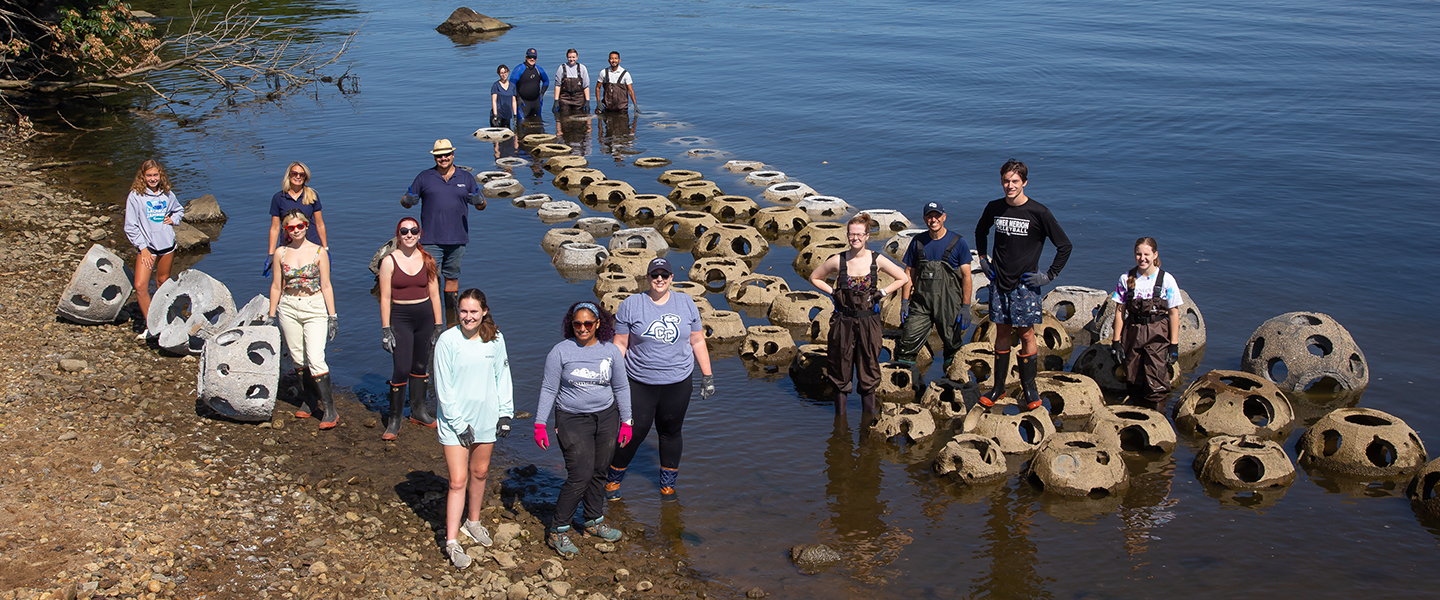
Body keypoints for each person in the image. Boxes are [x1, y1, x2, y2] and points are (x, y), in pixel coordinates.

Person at [604, 258, 714, 501]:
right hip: (639, 382)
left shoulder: (686, 303)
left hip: (678, 382)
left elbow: (697, 340)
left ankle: (667, 487)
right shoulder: (632, 305)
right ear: (648, 278)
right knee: (633, 432)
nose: (660, 280)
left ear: (672, 278)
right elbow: (620, 344)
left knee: (671, 432)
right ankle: (611, 481)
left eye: (665, 275)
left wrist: (707, 376)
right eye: (655, 275)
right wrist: (611, 377)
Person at [533, 302, 631, 557]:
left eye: (588, 323)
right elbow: (548, 389)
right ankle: (558, 529)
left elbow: (621, 388)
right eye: (578, 324)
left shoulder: (610, 352)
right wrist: (540, 423)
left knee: (600, 472)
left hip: (607, 416)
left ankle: (593, 521)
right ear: (571, 324)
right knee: (580, 474)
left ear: (599, 324)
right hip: (572, 418)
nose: (583, 328)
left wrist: (627, 422)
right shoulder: (560, 352)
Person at [973, 159, 1073, 410]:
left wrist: (1049, 276)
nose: (1010, 185)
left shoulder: (1039, 212)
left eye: (1015, 181)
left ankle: (1029, 387)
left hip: (1026, 284)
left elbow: (1064, 246)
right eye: (1006, 181)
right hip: (999, 280)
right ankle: (998, 387)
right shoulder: (994, 208)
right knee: (1002, 332)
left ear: (1024, 182)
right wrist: (983, 259)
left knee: (1027, 333)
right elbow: (980, 232)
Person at [433, 289, 513, 569]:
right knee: (457, 480)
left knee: (479, 472)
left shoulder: (495, 339)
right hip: (456, 422)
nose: (468, 317)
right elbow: (443, 388)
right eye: (464, 312)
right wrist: (457, 423)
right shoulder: (447, 340)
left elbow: (502, 376)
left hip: (486, 418)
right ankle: (452, 541)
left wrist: (506, 413)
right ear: (459, 312)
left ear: (484, 312)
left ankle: (473, 522)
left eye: (474, 312)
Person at [808, 214, 909, 415]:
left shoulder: (876, 260)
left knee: (869, 367)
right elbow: (815, 277)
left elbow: (903, 277)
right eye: (851, 234)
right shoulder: (839, 260)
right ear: (847, 235)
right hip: (843, 321)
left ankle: (868, 420)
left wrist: (882, 293)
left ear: (867, 236)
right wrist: (833, 292)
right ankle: (840, 421)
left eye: (859, 234)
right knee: (839, 367)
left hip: (868, 322)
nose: (855, 238)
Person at [266, 209, 339, 428]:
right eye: (291, 227)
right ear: (286, 230)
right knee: (298, 358)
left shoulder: (319, 252)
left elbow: (326, 285)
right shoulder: (281, 253)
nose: (296, 230)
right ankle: (309, 401)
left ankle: (330, 410)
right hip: (288, 306)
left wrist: (332, 315)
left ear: (307, 226)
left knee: (315, 358)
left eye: (300, 226)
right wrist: (271, 315)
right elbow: (277, 285)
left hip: (314, 306)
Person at [401, 139, 483, 324]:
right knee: (430, 278)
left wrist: (478, 200)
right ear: (434, 157)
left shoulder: (466, 178)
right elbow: (405, 203)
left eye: (446, 155)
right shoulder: (424, 177)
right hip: (431, 239)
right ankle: (431, 319)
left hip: (458, 239)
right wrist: (409, 199)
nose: (443, 158)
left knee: (452, 278)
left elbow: (482, 205)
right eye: (439, 156)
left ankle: (452, 319)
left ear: (453, 155)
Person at [378, 217, 444, 440]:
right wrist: (386, 329)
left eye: (413, 230)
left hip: (424, 317)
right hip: (401, 318)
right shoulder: (388, 261)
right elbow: (385, 297)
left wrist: (438, 325)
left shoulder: (427, 259)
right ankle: (394, 420)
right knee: (402, 367)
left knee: (420, 364)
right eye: (404, 231)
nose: (409, 235)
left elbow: (435, 294)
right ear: (398, 234)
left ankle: (419, 411)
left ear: (419, 234)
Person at [896, 201, 973, 373]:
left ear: (944, 217)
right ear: (924, 219)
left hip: (949, 303)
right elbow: (908, 273)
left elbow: (967, 277)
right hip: (921, 303)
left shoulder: (958, 242)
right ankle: (907, 383)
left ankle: (950, 383)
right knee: (907, 342)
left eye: (937, 216)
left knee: (952, 345)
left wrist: (966, 307)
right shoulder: (918, 241)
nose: (933, 220)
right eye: (929, 216)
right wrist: (904, 301)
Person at [1108, 237, 1182, 406]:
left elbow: (1173, 313)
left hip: (1157, 333)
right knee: (1133, 379)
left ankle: (1157, 421)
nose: (1143, 258)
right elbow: (1120, 311)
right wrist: (1116, 341)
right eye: (1138, 254)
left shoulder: (1166, 280)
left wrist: (1174, 345)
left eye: (1147, 254)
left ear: (1155, 255)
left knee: (1156, 380)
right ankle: (1136, 417)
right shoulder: (1126, 278)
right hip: (1132, 332)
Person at [122, 159, 184, 326]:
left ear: (160, 175)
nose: (152, 178)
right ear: (143, 177)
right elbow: (130, 226)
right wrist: (143, 248)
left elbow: (179, 210)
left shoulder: (167, 194)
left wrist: (173, 219)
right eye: (148, 175)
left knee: (162, 283)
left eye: (155, 175)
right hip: (147, 247)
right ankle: (152, 325)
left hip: (166, 245)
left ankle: (166, 320)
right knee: (140, 286)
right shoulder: (135, 196)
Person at [267, 161, 328, 274]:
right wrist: (271, 254)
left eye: (301, 174)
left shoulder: (312, 195)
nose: (298, 177)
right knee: (287, 279)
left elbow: (319, 224)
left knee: (311, 278)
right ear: (289, 175)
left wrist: (325, 248)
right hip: (287, 244)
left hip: (311, 243)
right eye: (294, 173)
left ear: (305, 177)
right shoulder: (279, 198)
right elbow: (275, 228)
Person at [510, 48, 549, 120]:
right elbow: (512, 85)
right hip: (523, 102)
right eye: (529, 57)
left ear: (536, 58)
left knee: (538, 123)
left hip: (536, 102)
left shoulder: (538, 69)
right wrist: (517, 98)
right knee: (521, 125)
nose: (532, 59)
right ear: (526, 57)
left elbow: (546, 81)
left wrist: (542, 94)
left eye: (534, 57)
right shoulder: (519, 69)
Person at [552, 49, 591, 113]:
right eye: (569, 57)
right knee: (564, 119)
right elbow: (557, 85)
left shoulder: (582, 68)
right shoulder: (561, 68)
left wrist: (587, 101)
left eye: (573, 57)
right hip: (565, 99)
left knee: (579, 120)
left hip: (579, 100)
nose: (571, 59)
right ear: (567, 57)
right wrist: (556, 101)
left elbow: (586, 86)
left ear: (577, 57)